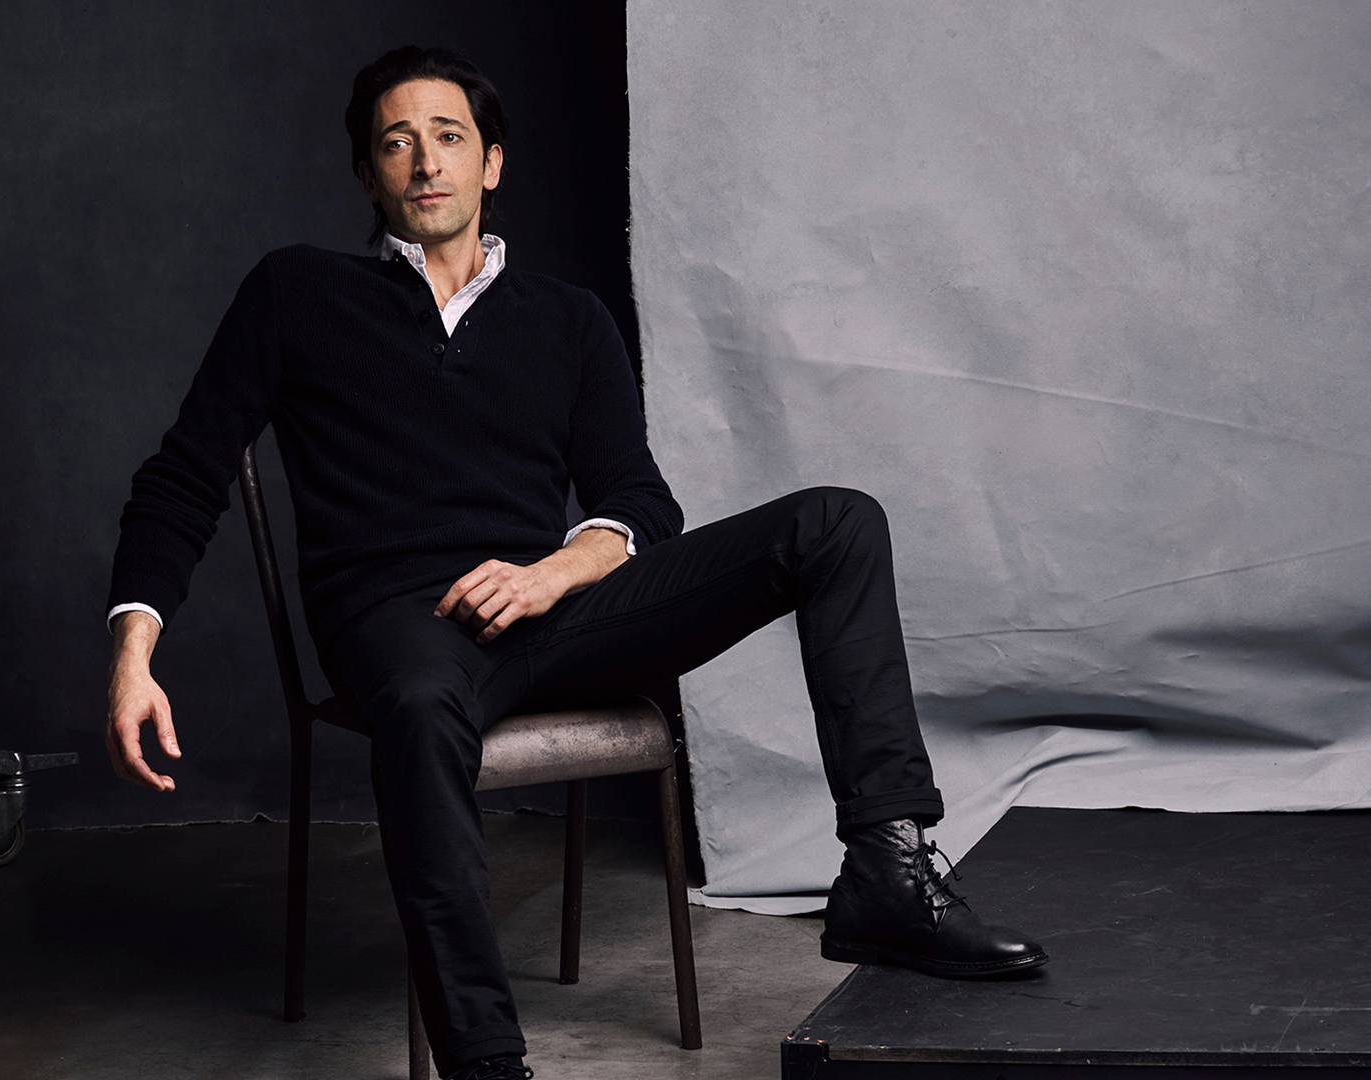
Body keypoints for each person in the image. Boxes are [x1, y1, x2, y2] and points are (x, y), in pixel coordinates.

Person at [102, 45, 1044, 1080]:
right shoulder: (295, 293)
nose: (427, 162)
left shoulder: (568, 320)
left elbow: (639, 502)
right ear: (369, 175)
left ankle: (888, 871)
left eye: (449, 137)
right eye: (397, 143)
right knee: (418, 704)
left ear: (492, 162)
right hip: (403, 624)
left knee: (837, 523)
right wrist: (135, 654)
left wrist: (555, 570)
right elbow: (182, 477)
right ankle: (486, 1062)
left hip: (557, 614)